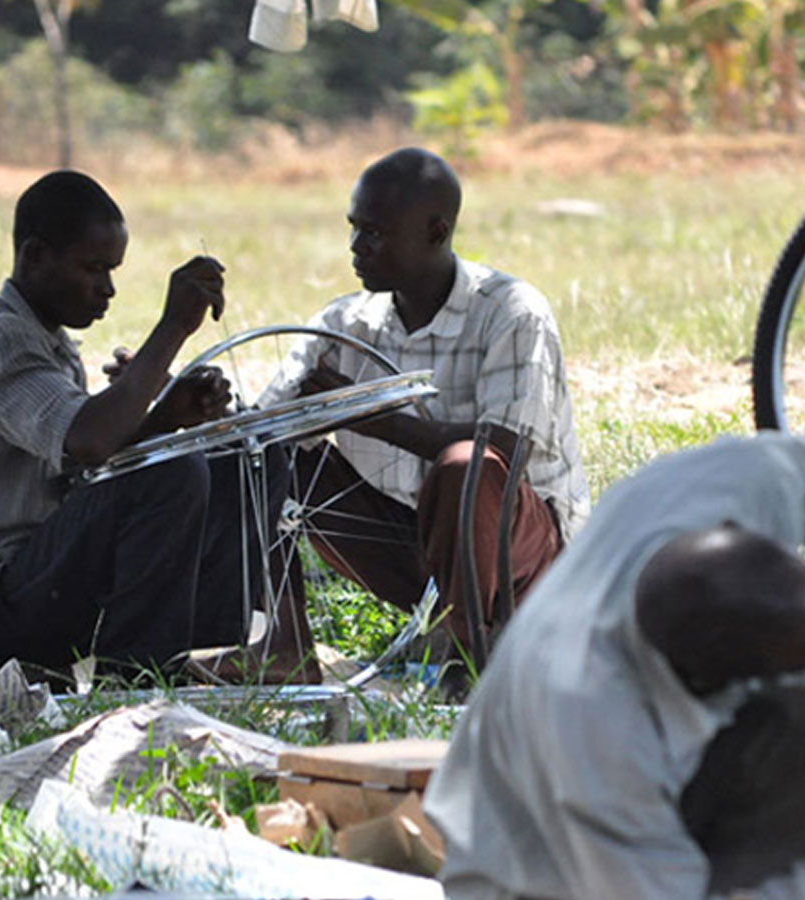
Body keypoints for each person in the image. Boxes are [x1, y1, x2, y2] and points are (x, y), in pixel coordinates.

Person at [423, 431, 805, 900]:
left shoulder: (719, 493)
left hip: (684, 787)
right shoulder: (589, 718)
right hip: (543, 881)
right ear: (710, 673)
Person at [0, 170, 286, 690]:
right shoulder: (3, 340)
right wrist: (173, 326)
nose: (107, 288)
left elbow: (91, 466)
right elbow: (90, 440)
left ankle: (179, 651)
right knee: (174, 471)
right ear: (35, 256)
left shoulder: (49, 342)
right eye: (93, 268)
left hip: (30, 590)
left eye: (112, 271)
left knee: (238, 457)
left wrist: (166, 418)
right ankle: (133, 682)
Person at [239, 147, 590, 682]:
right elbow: (263, 425)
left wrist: (370, 415)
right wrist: (191, 402)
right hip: (415, 549)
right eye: (353, 228)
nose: (357, 247)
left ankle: (471, 656)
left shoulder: (511, 312)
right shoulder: (345, 323)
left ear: (436, 232)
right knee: (265, 457)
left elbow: (508, 449)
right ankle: (286, 646)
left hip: (517, 558)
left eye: (375, 233)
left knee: (466, 465)